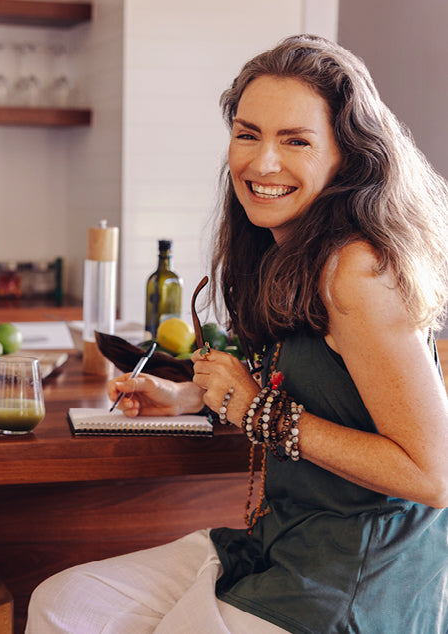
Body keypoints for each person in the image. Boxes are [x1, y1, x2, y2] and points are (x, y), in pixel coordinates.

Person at [25, 34, 448, 633]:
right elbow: (303, 378)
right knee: (66, 606)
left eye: (295, 141)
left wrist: (260, 413)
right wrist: (191, 397)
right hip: (280, 542)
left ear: (347, 157)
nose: (262, 163)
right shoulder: (282, 250)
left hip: (356, 576)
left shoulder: (355, 270)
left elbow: (433, 476)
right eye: (248, 134)